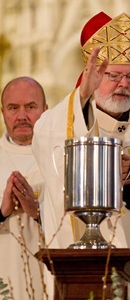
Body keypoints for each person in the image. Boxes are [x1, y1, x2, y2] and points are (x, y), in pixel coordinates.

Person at [32, 11, 130, 299]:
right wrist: (82, 95)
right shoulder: (72, 120)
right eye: (113, 76)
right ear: (92, 77)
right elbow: (47, 140)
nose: (123, 83)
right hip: (88, 267)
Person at [0, 76, 48, 300]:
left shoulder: (60, 159)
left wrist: (38, 212)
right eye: (13, 108)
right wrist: (1, 212)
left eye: (30, 107)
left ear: (45, 111)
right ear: (2, 112)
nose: (21, 116)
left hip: (47, 280)